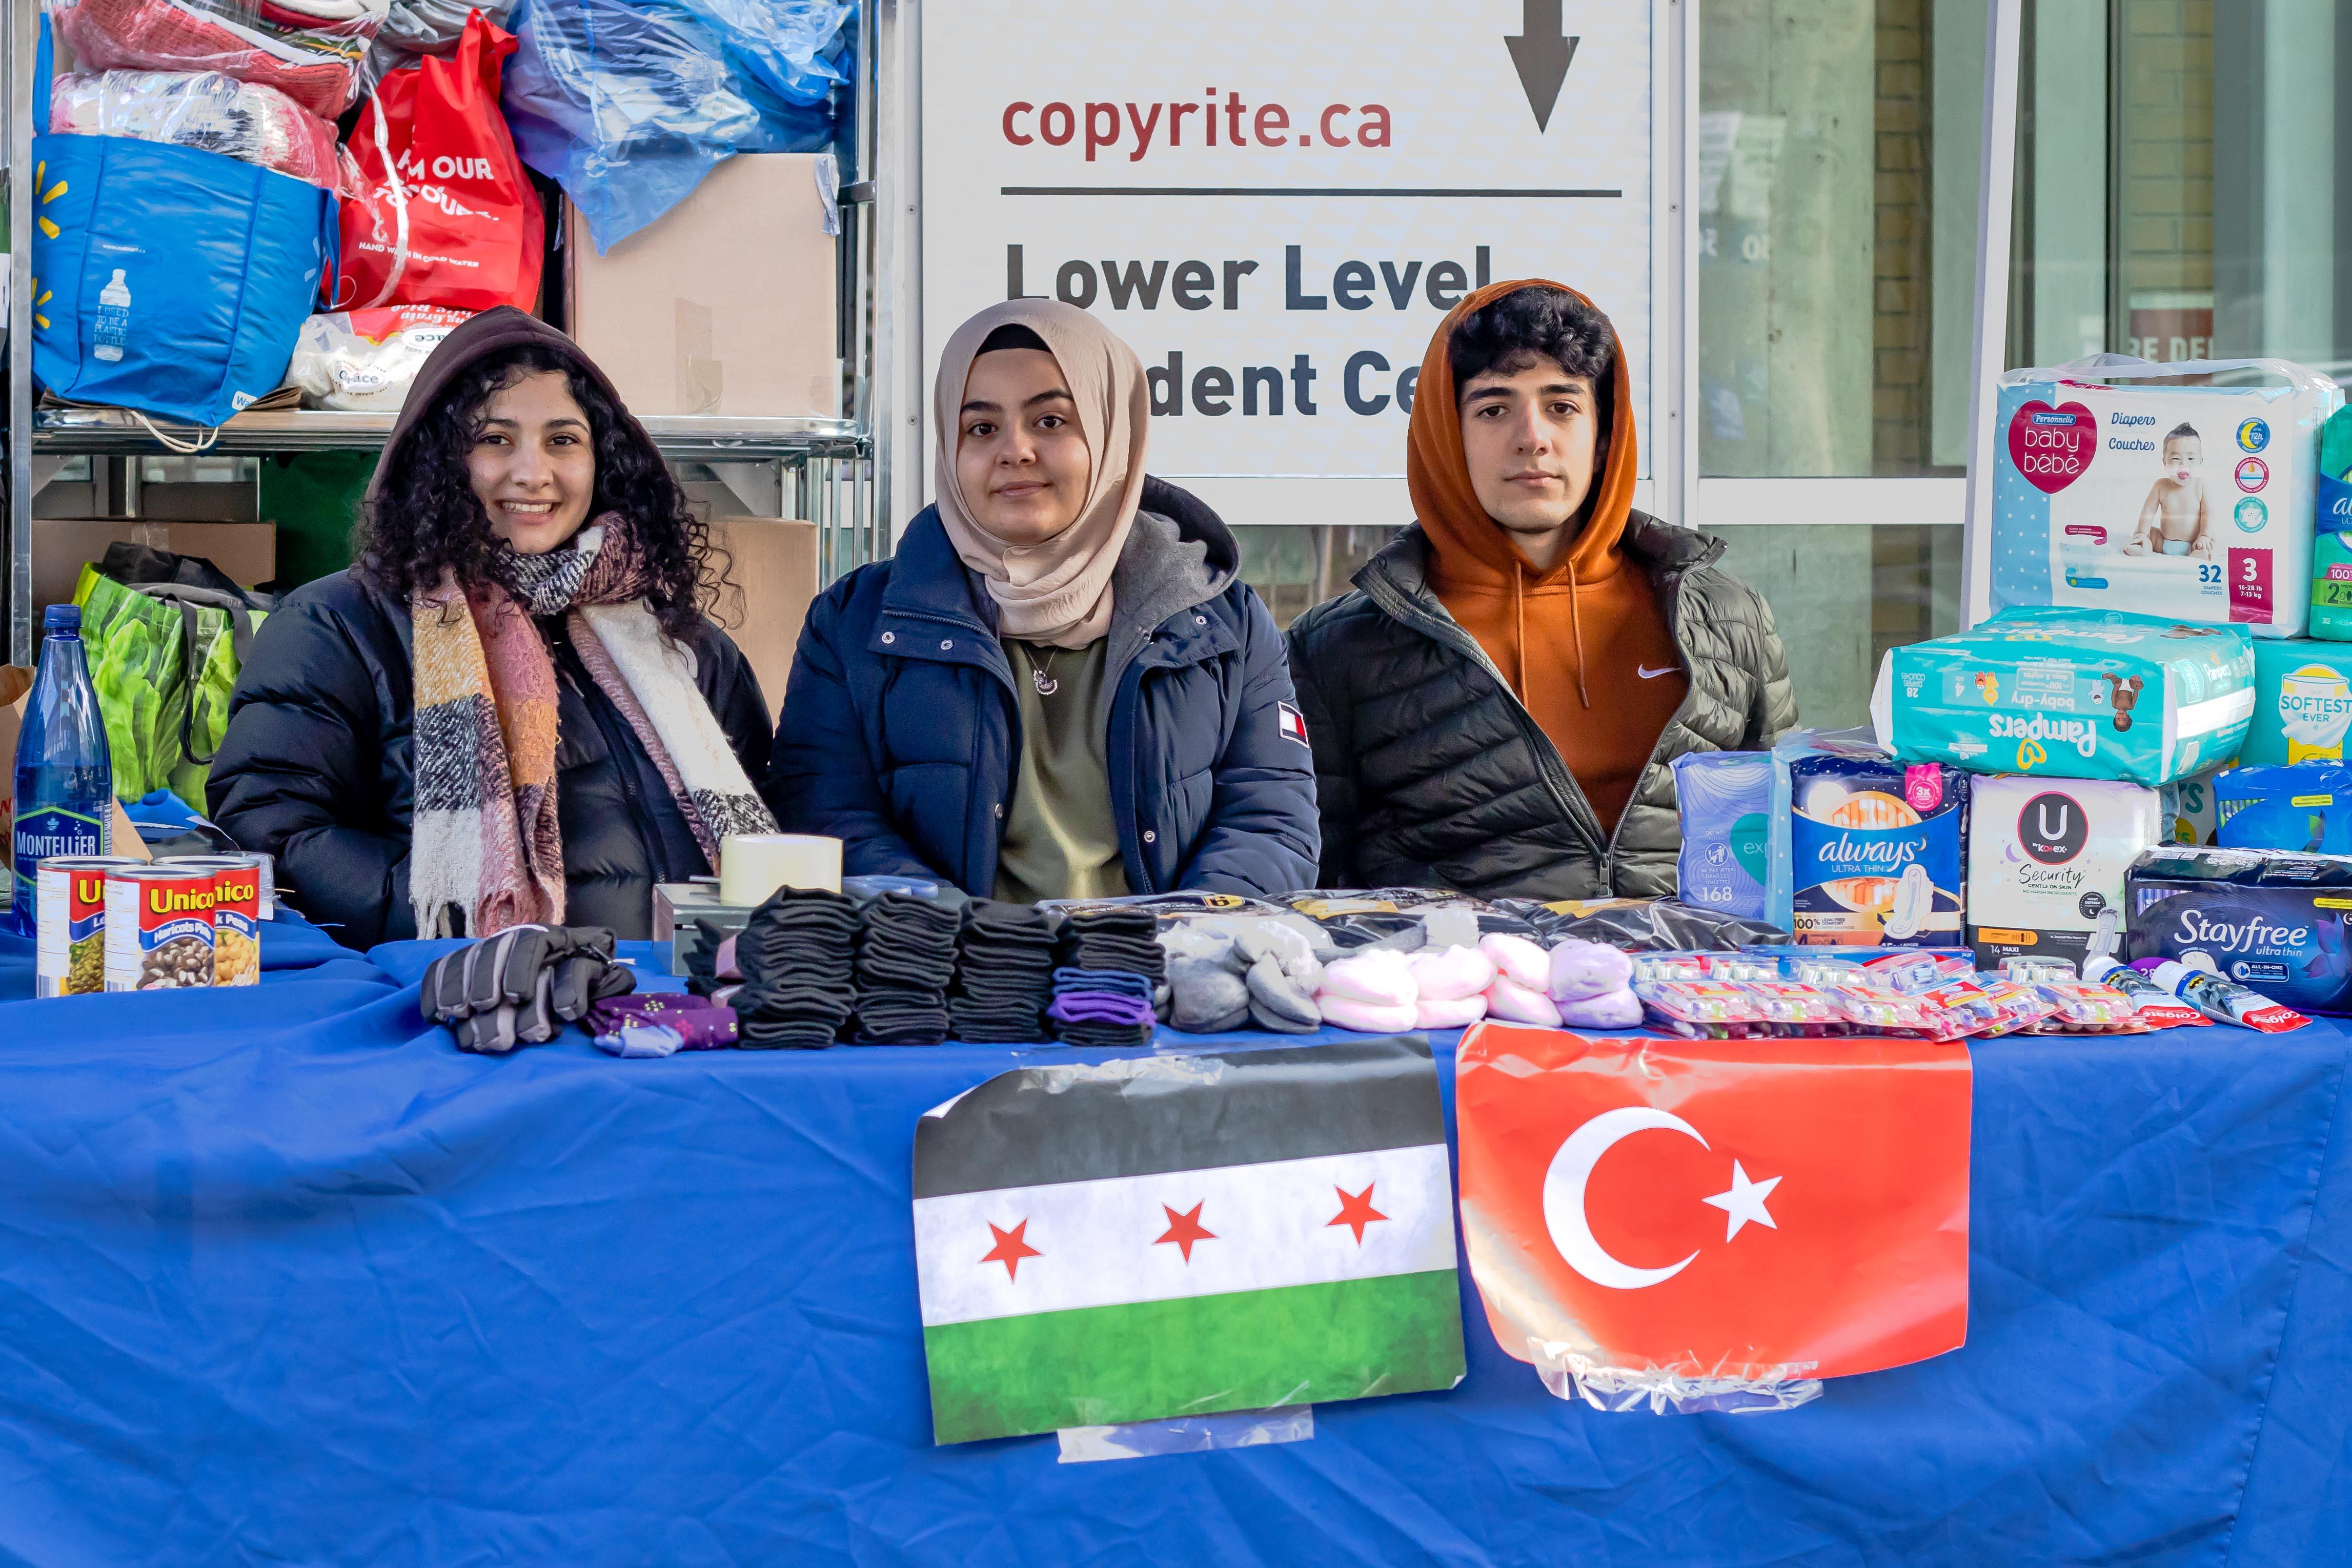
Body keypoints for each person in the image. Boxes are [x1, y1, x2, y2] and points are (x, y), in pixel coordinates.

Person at [209, 307, 775, 945]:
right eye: (495, 439)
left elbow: (771, 829)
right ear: (440, 460)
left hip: (687, 1016)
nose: (533, 473)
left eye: (563, 440)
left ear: (604, 461)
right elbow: (272, 829)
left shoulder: (686, 645)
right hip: (461, 1019)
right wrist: (476, 929)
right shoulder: (338, 625)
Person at [767, 299, 1318, 900]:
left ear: (1112, 433)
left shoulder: (1222, 621)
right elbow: (825, 816)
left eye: (1050, 421)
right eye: (980, 428)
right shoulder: (853, 624)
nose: (1015, 450)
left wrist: (1177, 939)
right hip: (950, 975)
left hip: (1161, 975)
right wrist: (971, 945)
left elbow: (1271, 823)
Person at [1285, 279, 1795, 899]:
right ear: (1449, 436)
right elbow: (1313, 887)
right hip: (1469, 988)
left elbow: (1784, 848)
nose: (1532, 437)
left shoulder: (1726, 618)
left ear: (1604, 432)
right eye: (1494, 409)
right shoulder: (1341, 647)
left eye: (1562, 406)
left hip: (1689, 984)